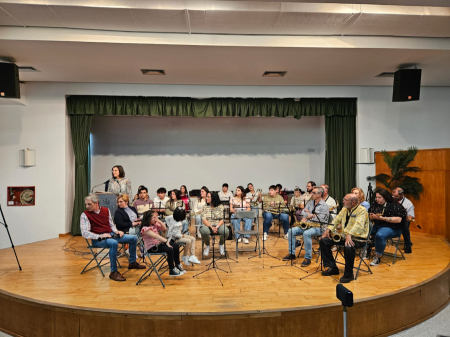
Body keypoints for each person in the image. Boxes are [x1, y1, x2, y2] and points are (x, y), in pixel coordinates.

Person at [80, 193, 145, 282]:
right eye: (86, 204)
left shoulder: (106, 210)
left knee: (133, 238)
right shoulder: (84, 215)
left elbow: (111, 224)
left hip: (110, 234)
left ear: (97, 203)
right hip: (98, 239)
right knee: (113, 243)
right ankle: (113, 272)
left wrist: (116, 231)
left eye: (89, 204)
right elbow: (84, 233)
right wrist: (100, 236)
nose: (87, 206)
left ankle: (132, 262)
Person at [320, 194, 370, 283]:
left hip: (358, 238)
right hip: (345, 236)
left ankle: (348, 274)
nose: (343, 201)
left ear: (353, 202)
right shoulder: (344, 209)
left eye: (345, 200)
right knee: (324, 241)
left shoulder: (362, 211)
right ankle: (333, 267)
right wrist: (328, 230)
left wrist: (349, 234)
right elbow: (336, 220)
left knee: (349, 246)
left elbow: (358, 225)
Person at [283, 187, 329, 267]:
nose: (312, 194)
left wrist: (310, 215)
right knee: (291, 231)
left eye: (314, 193)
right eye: (312, 193)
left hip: (319, 227)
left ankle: (308, 257)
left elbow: (321, 218)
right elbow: (303, 212)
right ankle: (292, 253)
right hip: (308, 225)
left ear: (320, 194)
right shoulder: (310, 203)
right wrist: (310, 215)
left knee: (306, 233)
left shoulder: (324, 206)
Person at [368, 188, 407, 266]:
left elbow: (398, 220)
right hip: (378, 226)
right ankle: (367, 249)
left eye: (379, 197)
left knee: (380, 235)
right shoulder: (376, 204)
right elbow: (369, 213)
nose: (377, 199)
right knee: (364, 231)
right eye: (376, 197)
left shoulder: (395, 205)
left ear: (385, 197)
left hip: (393, 227)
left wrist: (382, 218)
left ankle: (377, 257)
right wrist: (371, 216)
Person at [141, 210, 185, 277]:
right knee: (170, 249)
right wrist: (166, 241)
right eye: (154, 217)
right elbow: (156, 236)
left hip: (159, 244)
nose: (156, 219)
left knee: (176, 246)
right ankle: (172, 269)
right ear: (149, 218)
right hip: (152, 248)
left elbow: (164, 229)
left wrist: (159, 221)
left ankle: (177, 264)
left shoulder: (154, 224)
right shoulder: (145, 229)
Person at [200, 191, 229, 256]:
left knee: (225, 230)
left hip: (218, 225)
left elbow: (223, 219)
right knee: (204, 231)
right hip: (208, 225)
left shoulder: (220, 206)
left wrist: (217, 227)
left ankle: (221, 244)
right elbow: (204, 219)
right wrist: (211, 227)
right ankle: (207, 245)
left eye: (208, 197)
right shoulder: (205, 207)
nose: (206, 198)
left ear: (213, 198)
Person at [392, 187, 415, 253]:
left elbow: (411, 216)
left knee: (405, 226)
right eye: (394, 195)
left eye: (396, 196)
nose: (394, 197)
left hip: (401, 221)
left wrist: (403, 218)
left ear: (402, 194)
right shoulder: (391, 199)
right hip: (390, 220)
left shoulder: (408, 203)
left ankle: (408, 244)